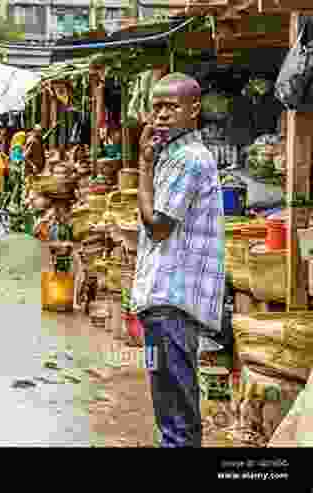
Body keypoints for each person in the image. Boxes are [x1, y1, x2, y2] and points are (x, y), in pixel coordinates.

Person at [132, 73, 225, 448]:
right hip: (158, 307)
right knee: (166, 407)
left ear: (194, 109)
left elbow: (156, 226)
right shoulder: (169, 156)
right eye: (157, 107)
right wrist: (150, 162)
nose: (163, 115)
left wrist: (142, 166)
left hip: (173, 306)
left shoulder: (189, 159)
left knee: (177, 416)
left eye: (172, 107)